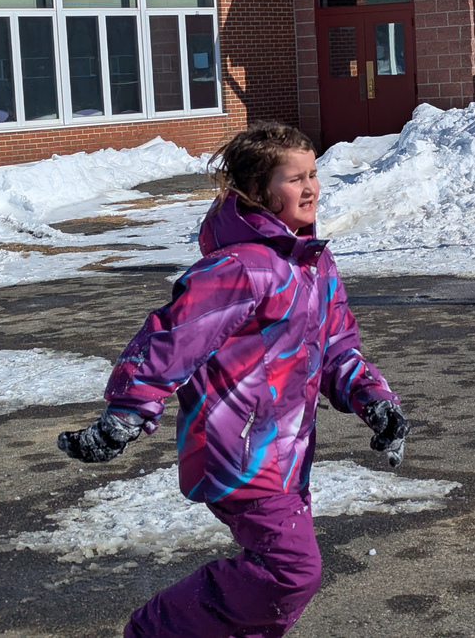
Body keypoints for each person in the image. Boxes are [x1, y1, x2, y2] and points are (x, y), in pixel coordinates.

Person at [57, 122, 409, 638]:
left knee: (277, 578)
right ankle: (156, 630)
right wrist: (125, 414)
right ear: (259, 191)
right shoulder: (240, 268)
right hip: (238, 451)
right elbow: (171, 338)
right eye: (294, 179)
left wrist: (373, 398)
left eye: (313, 174)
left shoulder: (314, 264)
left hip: (288, 453)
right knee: (291, 572)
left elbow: (336, 345)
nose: (310, 188)